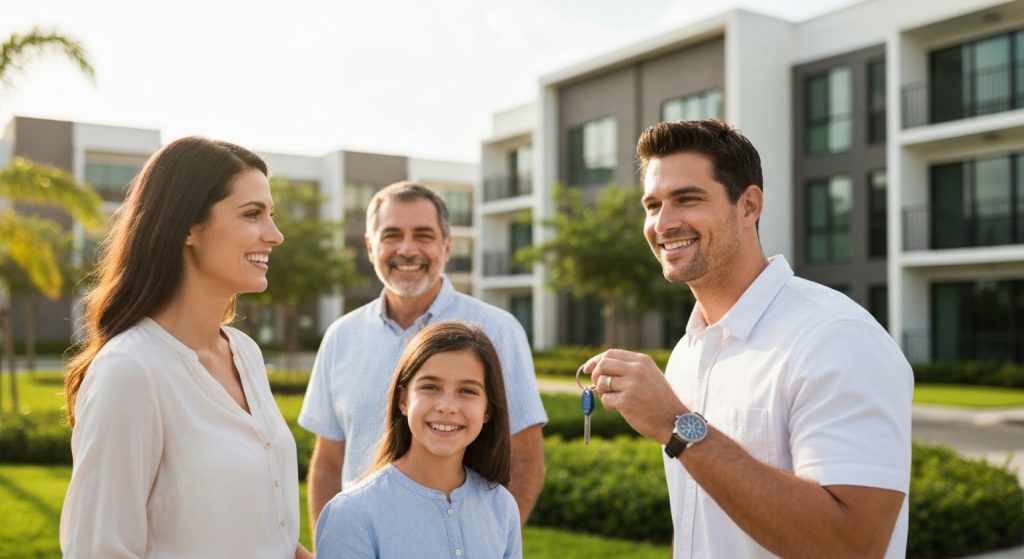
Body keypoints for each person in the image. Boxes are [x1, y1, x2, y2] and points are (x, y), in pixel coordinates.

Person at [584, 119, 913, 558]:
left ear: (748, 206)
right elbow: (702, 523)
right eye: (653, 204)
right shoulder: (688, 351)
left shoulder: (836, 338)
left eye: (687, 199)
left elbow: (854, 545)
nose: (663, 223)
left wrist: (675, 424)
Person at [60, 136, 312, 559]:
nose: (275, 235)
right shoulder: (130, 371)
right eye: (253, 214)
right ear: (188, 227)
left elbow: (264, 533)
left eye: (271, 215)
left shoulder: (244, 353)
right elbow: (97, 550)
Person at [299, 181, 546, 535]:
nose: (407, 249)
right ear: (371, 247)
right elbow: (327, 463)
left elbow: (526, 461)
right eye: (392, 235)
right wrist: (330, 545)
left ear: (446, 246)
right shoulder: (341, 336)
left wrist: (491, 544)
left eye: (423, 235)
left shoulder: (498, 330)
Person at [315, 320, 521, 558]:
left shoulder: (502, 507)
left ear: (488, 410)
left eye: (467, 391)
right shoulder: (353, 513)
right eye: (430, 387)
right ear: (403, 400)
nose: (447, 406)